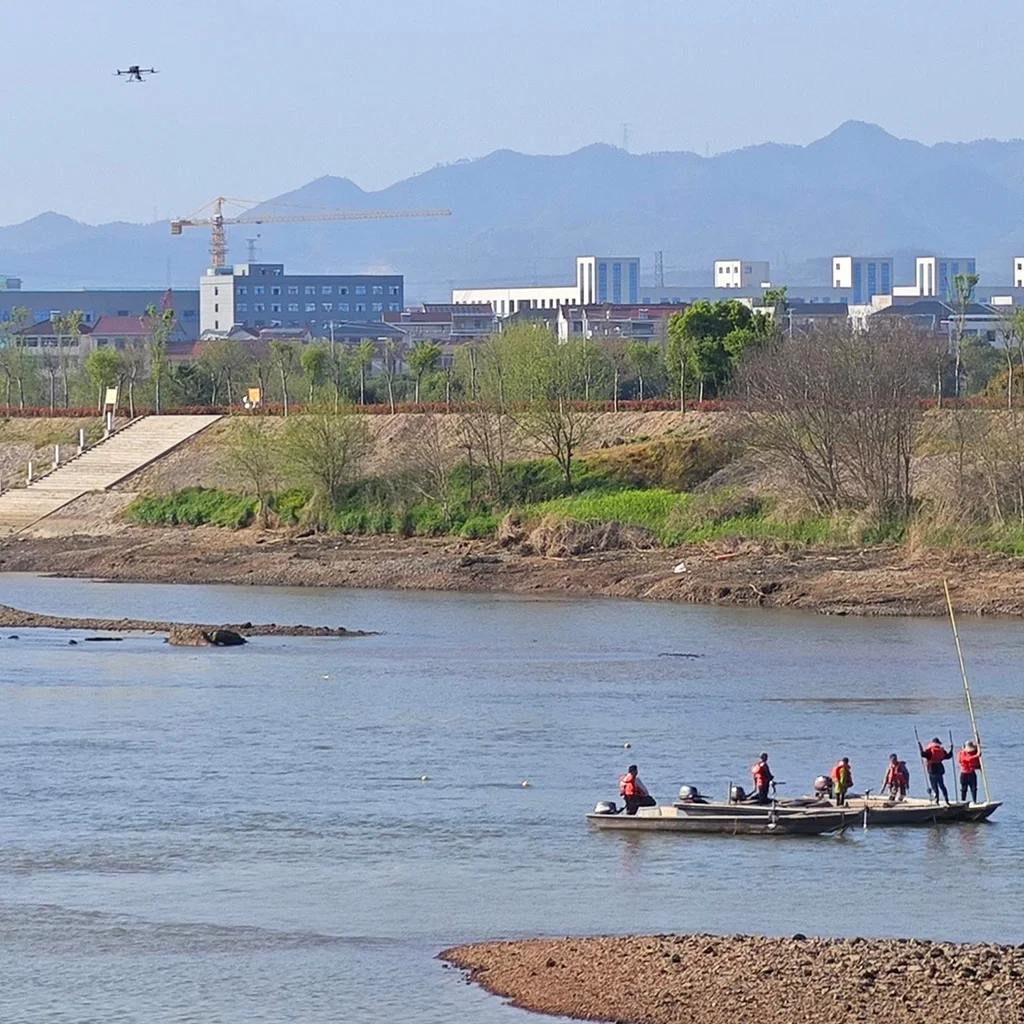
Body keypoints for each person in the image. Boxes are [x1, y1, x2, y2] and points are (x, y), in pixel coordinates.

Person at [918, 736, 953, 805]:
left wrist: (920, 747)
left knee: (934, 786)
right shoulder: (941, 750)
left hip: (932, 770)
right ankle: (946, 800)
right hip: (939, 769)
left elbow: (923, 754)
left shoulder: (930, 750)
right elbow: (948, 756)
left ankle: (937, 801)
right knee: (942, 785)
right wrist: (951, 749)